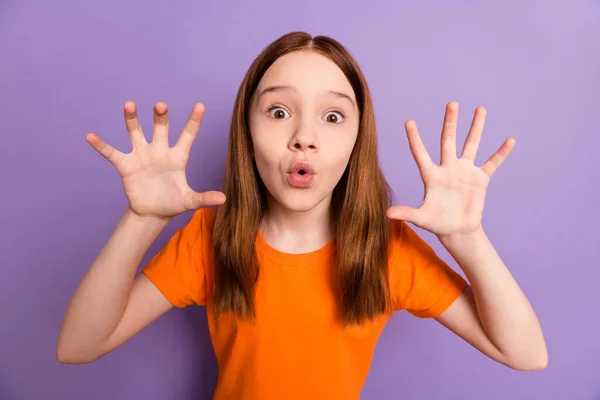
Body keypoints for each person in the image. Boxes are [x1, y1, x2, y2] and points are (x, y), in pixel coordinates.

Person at [56, 31, 548, 399]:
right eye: (278, 112)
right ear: (246, 131)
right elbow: (77, 347)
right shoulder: (211, 238)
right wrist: (141, 221)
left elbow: (525, 354)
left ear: (358, 140)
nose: (304, 136)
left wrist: (467, 238)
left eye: (333, 116)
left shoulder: (387, 248)